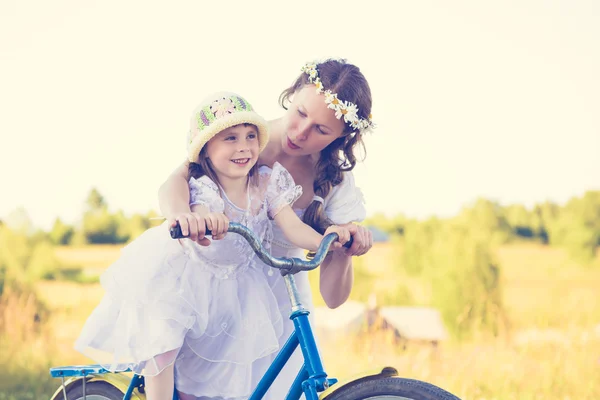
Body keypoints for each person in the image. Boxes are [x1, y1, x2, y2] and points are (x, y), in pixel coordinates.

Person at [74, 91, 350, 400]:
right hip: (184, 281)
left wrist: (328, 240)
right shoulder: (204, 185)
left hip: (235, 285)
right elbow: (201, 210)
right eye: (230, 139)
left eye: (249, 137)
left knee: (227, 366)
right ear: (205, 149)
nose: (243, 147)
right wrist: (201, 219)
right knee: (163, 346)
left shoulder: (267, 179)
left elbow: (292, 225)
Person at [158, 59, 376, 398]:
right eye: (301, 113)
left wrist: (342, 247)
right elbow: (179, 179)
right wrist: (180, 215)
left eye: (321, 130)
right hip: (217, 289)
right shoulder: (242, 138)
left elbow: (334, 298)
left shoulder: (334, 181)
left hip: (280, 306)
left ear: (344, 135)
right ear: (292, 93)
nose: (301, 132)